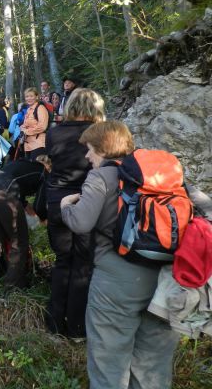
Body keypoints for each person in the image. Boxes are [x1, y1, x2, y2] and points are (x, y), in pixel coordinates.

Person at [60, 121, 179, 388]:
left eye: (90, 150)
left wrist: (65, 205)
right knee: (154, 364)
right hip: (167, 281)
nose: (88, 157)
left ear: (102, 149)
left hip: (117, 282)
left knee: (109, 360)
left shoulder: (102, 177)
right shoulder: (159, 175)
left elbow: (81, 223)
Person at [44, 88, 106, 338]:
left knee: (63, 262)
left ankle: (54, 323)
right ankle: (77, 327)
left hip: (57, 201)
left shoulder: (54, 132)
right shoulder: (101, 134)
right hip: (87, 202)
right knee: (83, 265)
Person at [0, 156, 49, 290]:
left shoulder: (21, 163)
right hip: (3, 194)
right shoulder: (43, 172)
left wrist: (26, 209)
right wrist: (43, 219)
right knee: (19, 242)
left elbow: (18, 191)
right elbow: (39, 205)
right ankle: (13, 288)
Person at [20, 87, 48, 161]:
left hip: (38, 144)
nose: (29, 98)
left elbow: (42, 127)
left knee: (37, 169)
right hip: (29, 144)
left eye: (31, 96)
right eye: (27, 96)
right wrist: (22, 127)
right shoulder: (29, 109)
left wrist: (26, 131)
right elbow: (25, 124)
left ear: (36, 97)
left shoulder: (40, 108)